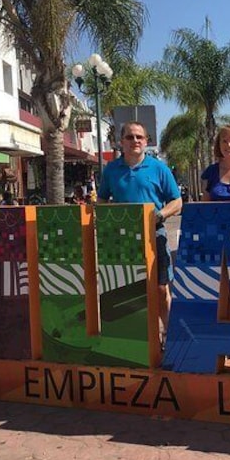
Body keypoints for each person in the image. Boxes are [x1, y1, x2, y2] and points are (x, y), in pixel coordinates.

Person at [98, 121, 182, 338]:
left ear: (146, 141)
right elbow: (101, 200)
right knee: (129, 290)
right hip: (122, 239)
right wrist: (110, 217)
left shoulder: (159, 168)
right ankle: (138, 339)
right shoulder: (111, 170)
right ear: (120, 142)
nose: (135, 141)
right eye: (129, 137)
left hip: (155, 237)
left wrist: (160, 215)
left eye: (139, 137)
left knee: (161, 289)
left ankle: (171, 338)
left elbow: (177, 201)